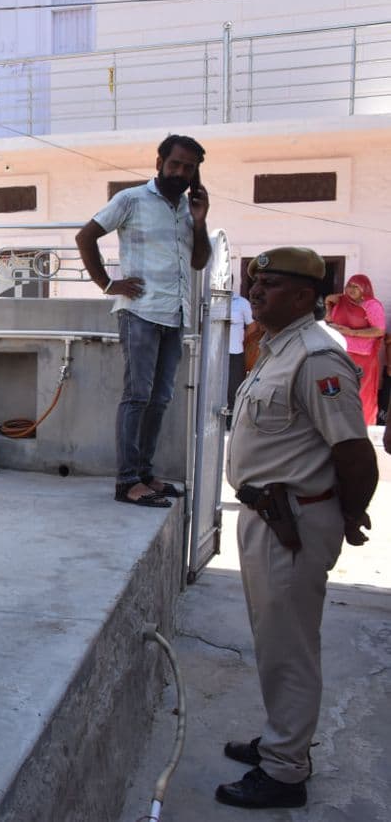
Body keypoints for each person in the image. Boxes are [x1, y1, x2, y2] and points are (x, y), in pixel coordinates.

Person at [219, 246, 376, 809]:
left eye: (273, 285)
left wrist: (349, 512)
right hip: (267, 516)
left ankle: (285, 772)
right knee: (274, 638)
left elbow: (357, 455)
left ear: (306, 297)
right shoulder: (277, 347)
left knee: (290, 647)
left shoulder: (315, 358)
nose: (257, 292)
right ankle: (283, 739)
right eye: (256, 282)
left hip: (294, 523)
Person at [75, 136, 211, 507]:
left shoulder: (188, 208)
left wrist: (199, 222)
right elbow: (86, 236)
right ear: (159, 163)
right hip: (140, 313)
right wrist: (107, 283)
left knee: (161, 398)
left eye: (189, 168)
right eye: (176, 164)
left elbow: (199, 261)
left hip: (175, 313)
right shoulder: (131, 199)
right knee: (137, 396)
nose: (181, 172)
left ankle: (146, 473)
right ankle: (127, 481)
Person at [323, 274, 384, 425]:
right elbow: (328, 320)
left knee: (361, 393)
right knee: (335, 390)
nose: (350, 289)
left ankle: (361, 427)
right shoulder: (341, 301)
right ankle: (336, 426)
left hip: (362, 357)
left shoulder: (371, 305)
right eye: (349, 285)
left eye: (355, 286)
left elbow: (379, 331)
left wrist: (350, 332)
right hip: (339, 353)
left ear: (365, 289)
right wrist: (328, 304)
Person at [227, 282, 254, 426]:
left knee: (234, 386)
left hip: (235, 351)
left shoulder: (242, 303)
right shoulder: (209, 300)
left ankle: (232, 421)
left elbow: (252, 325)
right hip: (213, 353)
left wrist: (242, 339)